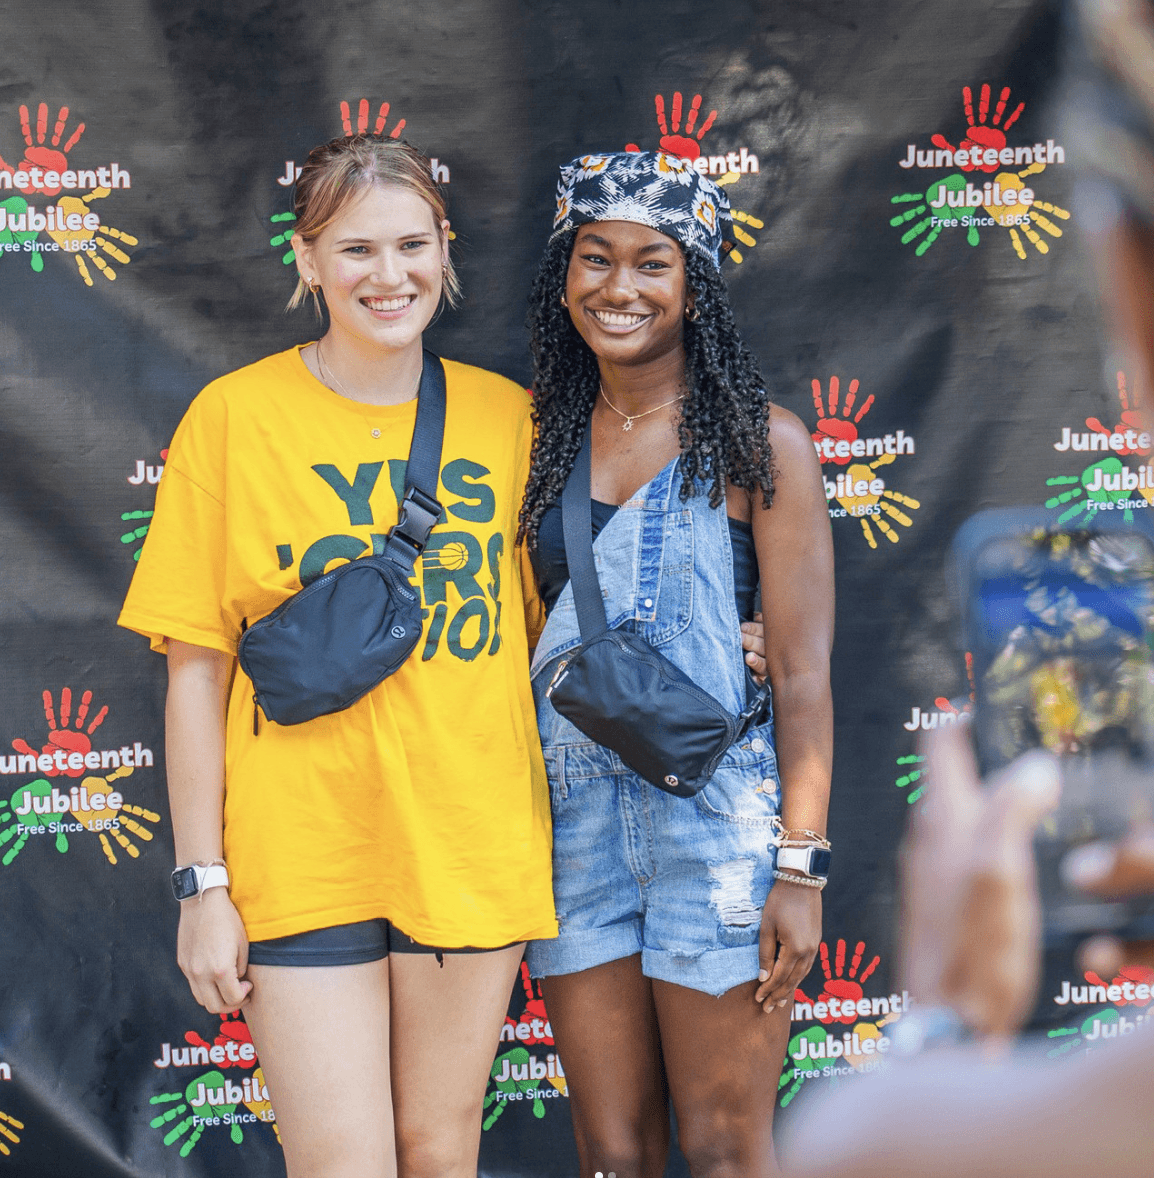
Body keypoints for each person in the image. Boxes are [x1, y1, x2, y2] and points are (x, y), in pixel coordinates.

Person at [116, 134, 560, 1178]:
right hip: (300, 849)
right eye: (355, 249)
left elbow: (550, 631)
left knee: (438, 1148)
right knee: (341, 1162)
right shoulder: (231, 418)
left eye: (412, 244)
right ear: (307, 260)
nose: (388, 273)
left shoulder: (510, 419)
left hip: (468, 841)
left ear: (445, 252)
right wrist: (201, 884)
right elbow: (194, 670)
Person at [518, 151, 835, 1177]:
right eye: (593, 258)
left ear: (693, 285)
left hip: (718, 826)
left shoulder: (760, 445)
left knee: (724, 1145)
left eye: (651, 263)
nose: (619, 288)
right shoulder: (536, 442)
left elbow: (799, 673)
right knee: (611, 1148)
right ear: (562, 274)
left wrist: (799, 863)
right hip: (570, 831)